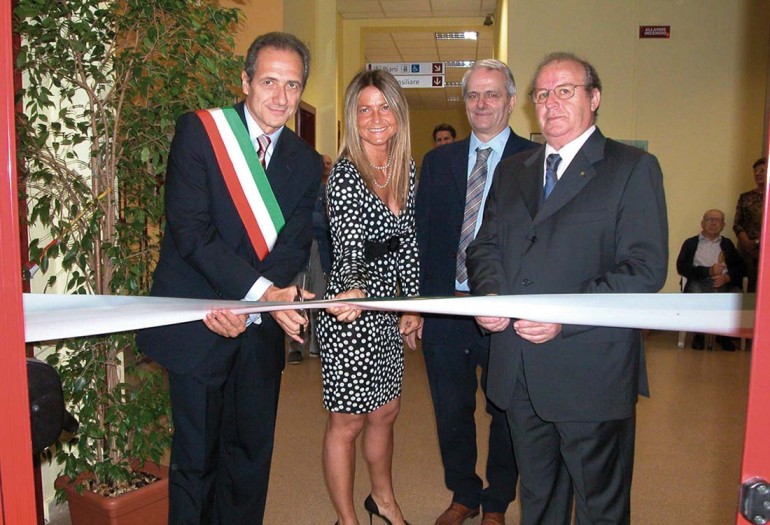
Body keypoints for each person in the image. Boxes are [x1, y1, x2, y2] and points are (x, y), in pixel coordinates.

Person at [466, 52, 668, 524]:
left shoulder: (631, 168)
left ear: (594, 98)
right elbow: (484, 247)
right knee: (539, 503)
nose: (551, 103)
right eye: (542, 94)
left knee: (600, 508)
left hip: (591, 372)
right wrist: (490, 294)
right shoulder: (514, 170)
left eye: (565, 91)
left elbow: (644, 268)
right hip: (520, 370)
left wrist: (564, 316)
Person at [136, 32, 323, 524]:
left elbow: (293, 246)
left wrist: (256, 304)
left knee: (249, 462)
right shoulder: (201, 133)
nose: (281, 97)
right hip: (201, 322)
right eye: (269, 82)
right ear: (245, 81)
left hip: (257, 334)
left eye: (292, 85)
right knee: (196, 462)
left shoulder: (306, 161)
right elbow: (191, 232)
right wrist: (259, 295)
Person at [416, 59, 537, 525]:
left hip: (505, 309)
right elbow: (423, 237)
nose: (482, 103)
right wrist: (420, 307)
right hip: (446, 309)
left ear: (511, 101)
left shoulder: (535, 160)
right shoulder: (438, 161)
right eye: (473, 95)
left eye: (492, 94)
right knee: (451, 409)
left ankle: (497, 501)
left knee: (505, 408)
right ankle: (463, 493)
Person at [316, 69, 421, 525]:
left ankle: (383, 500)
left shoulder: (405, 168)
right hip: (351, 309)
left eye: (384, 107)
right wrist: (355, 288)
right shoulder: (345, 175)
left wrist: (410, 302)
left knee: (386, 410)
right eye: (364, 109)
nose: (376, 118)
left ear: (399, 113)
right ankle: (347, 519)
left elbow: (408, 241)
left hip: (385, 309)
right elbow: (349, 247)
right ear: (352, 117)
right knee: (348, 422)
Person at [286, 153, 334, 363]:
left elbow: (329, 224)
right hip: (299, 252)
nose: (325, 167)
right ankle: (295, 345)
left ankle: (318, 343)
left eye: (328, 164)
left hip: (322, 251)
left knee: (320, 297)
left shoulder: (331, 190)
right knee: (297, 298)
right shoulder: (299, 188)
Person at [677, 209, 744, 351]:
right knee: (696, 294)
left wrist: (727, 278)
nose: (713, 223)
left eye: (718, 220)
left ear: (723, 225)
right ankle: (699, 334)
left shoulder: (727, 244)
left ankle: (724, 334)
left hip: (724, 283)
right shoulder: (691, 243)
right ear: (702, 223)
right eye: (710, 219)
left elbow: (740, 268)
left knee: (736, 296)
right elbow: (682, 267)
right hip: (699, 281)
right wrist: (708, 271)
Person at [733, 157, 766, 292]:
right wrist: (747, 243)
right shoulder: (745, 197)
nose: (757, 174)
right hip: (748, 250)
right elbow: (737, 224)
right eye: (755, 171)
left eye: (762, 170)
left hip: (767, 248)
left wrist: (761, 241)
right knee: (750, 286)